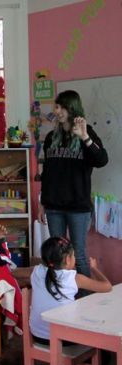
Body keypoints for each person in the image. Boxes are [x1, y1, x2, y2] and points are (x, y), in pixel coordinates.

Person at [38, 90, 108, 277]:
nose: (58, 111)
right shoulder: (52, 138)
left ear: (72, 108)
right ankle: (59, 296)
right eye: (56, 106)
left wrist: (85, 137)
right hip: (54, 207)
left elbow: (102, 160)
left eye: (62, 107)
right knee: (56, 255)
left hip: (78, 207)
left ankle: (84, 298)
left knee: (79, 254)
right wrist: (42, 203)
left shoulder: (87, 133)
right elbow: (47, 174)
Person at [29, 236, 112, 345]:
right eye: (73, 255)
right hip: (64, 339)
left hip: (38, 335)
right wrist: (94, 268)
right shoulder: (74, 278)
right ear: (68, 260)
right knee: (102, 349)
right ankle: (82, 359)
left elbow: (14, 272)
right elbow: (107, 286)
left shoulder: (36, 271)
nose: (74, 258)